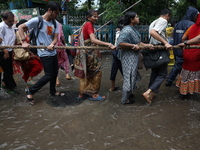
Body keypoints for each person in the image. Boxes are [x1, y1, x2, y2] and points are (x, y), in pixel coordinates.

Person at [18, 2, 62, 105]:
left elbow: (55, 38)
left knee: (55, 73)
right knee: (48, 75)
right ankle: (31, 91)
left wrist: (52, 44)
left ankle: (53, 91)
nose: (56, 15)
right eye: (55, 13)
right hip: (43, 52)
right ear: (49, 10)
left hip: (53, 52)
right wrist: (24, 41)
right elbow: (20, 27)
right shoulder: (37, 20)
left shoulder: (55, 23)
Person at [74, 9, 116, 101]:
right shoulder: (89, 25)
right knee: (96, 73)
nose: (96, 18)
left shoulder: (85, 24)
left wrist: (95, 16)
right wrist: (108, 44)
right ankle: (94, 94)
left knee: (86, 72)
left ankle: (81, 94)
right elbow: (93, 40)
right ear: (88, 17)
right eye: (94, 16)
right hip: (90, 54)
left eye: (97, 16)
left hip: (84, 54)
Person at [117, 11, 153, 104]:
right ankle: (124, 100)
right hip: (128, 58)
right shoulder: (127, 30)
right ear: (131, 19)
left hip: (133, 57)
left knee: (132, 76)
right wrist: (133, 46)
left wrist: (147, 45)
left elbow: (138, 43)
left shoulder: (132, 29)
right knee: (128, 77)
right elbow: (120, 43)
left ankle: (128, 94)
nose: (138, 18)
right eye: (136, 17)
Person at [142, 8, 172, 104]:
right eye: (169, 17)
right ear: (167, 15)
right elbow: (153, 32)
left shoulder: (154, 21)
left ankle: (151, 93)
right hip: (160, 48)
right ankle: (149, 92)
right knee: (163, 74)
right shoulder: (163, 21)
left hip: (154, 48)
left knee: (155, 72)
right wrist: (166, 43)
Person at [165, 6, 199, 86]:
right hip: (186, 49)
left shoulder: (178, 24)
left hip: (176, 48)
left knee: (179, 65)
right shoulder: (192, 25)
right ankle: (170, 80)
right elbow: (194, 39)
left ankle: (179, 81)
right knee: (180, 66)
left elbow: (174, 36)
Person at [176, 13, 200, 99]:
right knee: (193, 73)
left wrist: (186, 42)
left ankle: (183, 92)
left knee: (185, 71)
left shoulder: (191, 27)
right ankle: (189, 91)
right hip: (197, 53)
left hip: (187, 52)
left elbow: (183, 38)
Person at [15, 19, 43, 87]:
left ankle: (28, 86)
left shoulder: (22, 33)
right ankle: (29, 80)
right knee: (37, 65)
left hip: (25, 53)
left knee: (27, 69)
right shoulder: (19, 33)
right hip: (23, 54)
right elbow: (22, 44)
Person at [0, 11, 17, 94]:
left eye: (12, 20)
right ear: (3, 19)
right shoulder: (1, 26)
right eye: (9, 21)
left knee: (9, 70)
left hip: (9, 51)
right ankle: (8, 87)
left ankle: (6, 84)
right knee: (6, 70)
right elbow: (0, 40)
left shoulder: (11, 26)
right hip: (2, 52)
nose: (11, 22)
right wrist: (5, 51)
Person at [109, 17, 124, 92]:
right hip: (119, 52)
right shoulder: (121, 32)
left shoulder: (119, 31)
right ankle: (112, 87)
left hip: (116, 52)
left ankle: (112, 86)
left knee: (115, 68)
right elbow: (119, 43)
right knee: (123, 69)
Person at [55, 21, 72, 86]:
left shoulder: (49, 25)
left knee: (55, 63)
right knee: (65, 60)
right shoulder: (60, 26)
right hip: (60, 46)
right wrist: (64, 44)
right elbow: (62, 37)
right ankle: (67, 74)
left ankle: (57, 81)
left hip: (52, 47)